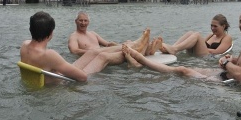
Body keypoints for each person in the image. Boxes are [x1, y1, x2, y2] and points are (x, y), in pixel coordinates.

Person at [122, 10, 241, 83]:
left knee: (182, 69)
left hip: (227, 82)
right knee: (192, 38)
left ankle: (140, 58)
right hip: (222, 73)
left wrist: (226, 62)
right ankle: (154, 52)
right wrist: (233, 59)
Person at [20, 11, 151, 84]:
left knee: (94, 51)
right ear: (50, 34)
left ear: (31, 29)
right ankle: (134, 50)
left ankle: (132, 45)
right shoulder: (49, 55)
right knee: (102, 56)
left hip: (56, 75)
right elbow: (82, 77)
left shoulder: (25, 46)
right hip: (64, 81)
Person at [159, 14, 232, 56]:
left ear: (223, 26)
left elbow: (217, 52)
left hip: (208, 56)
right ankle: (172, 48)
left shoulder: (227, 38)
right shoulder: (211, 35)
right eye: (211, 26)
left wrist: (201, 47)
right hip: (199, 53)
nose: (212, 28)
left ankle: (174, 49)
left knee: (197, 35)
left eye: (215, 26)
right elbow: (199, 43)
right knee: (190, 33)